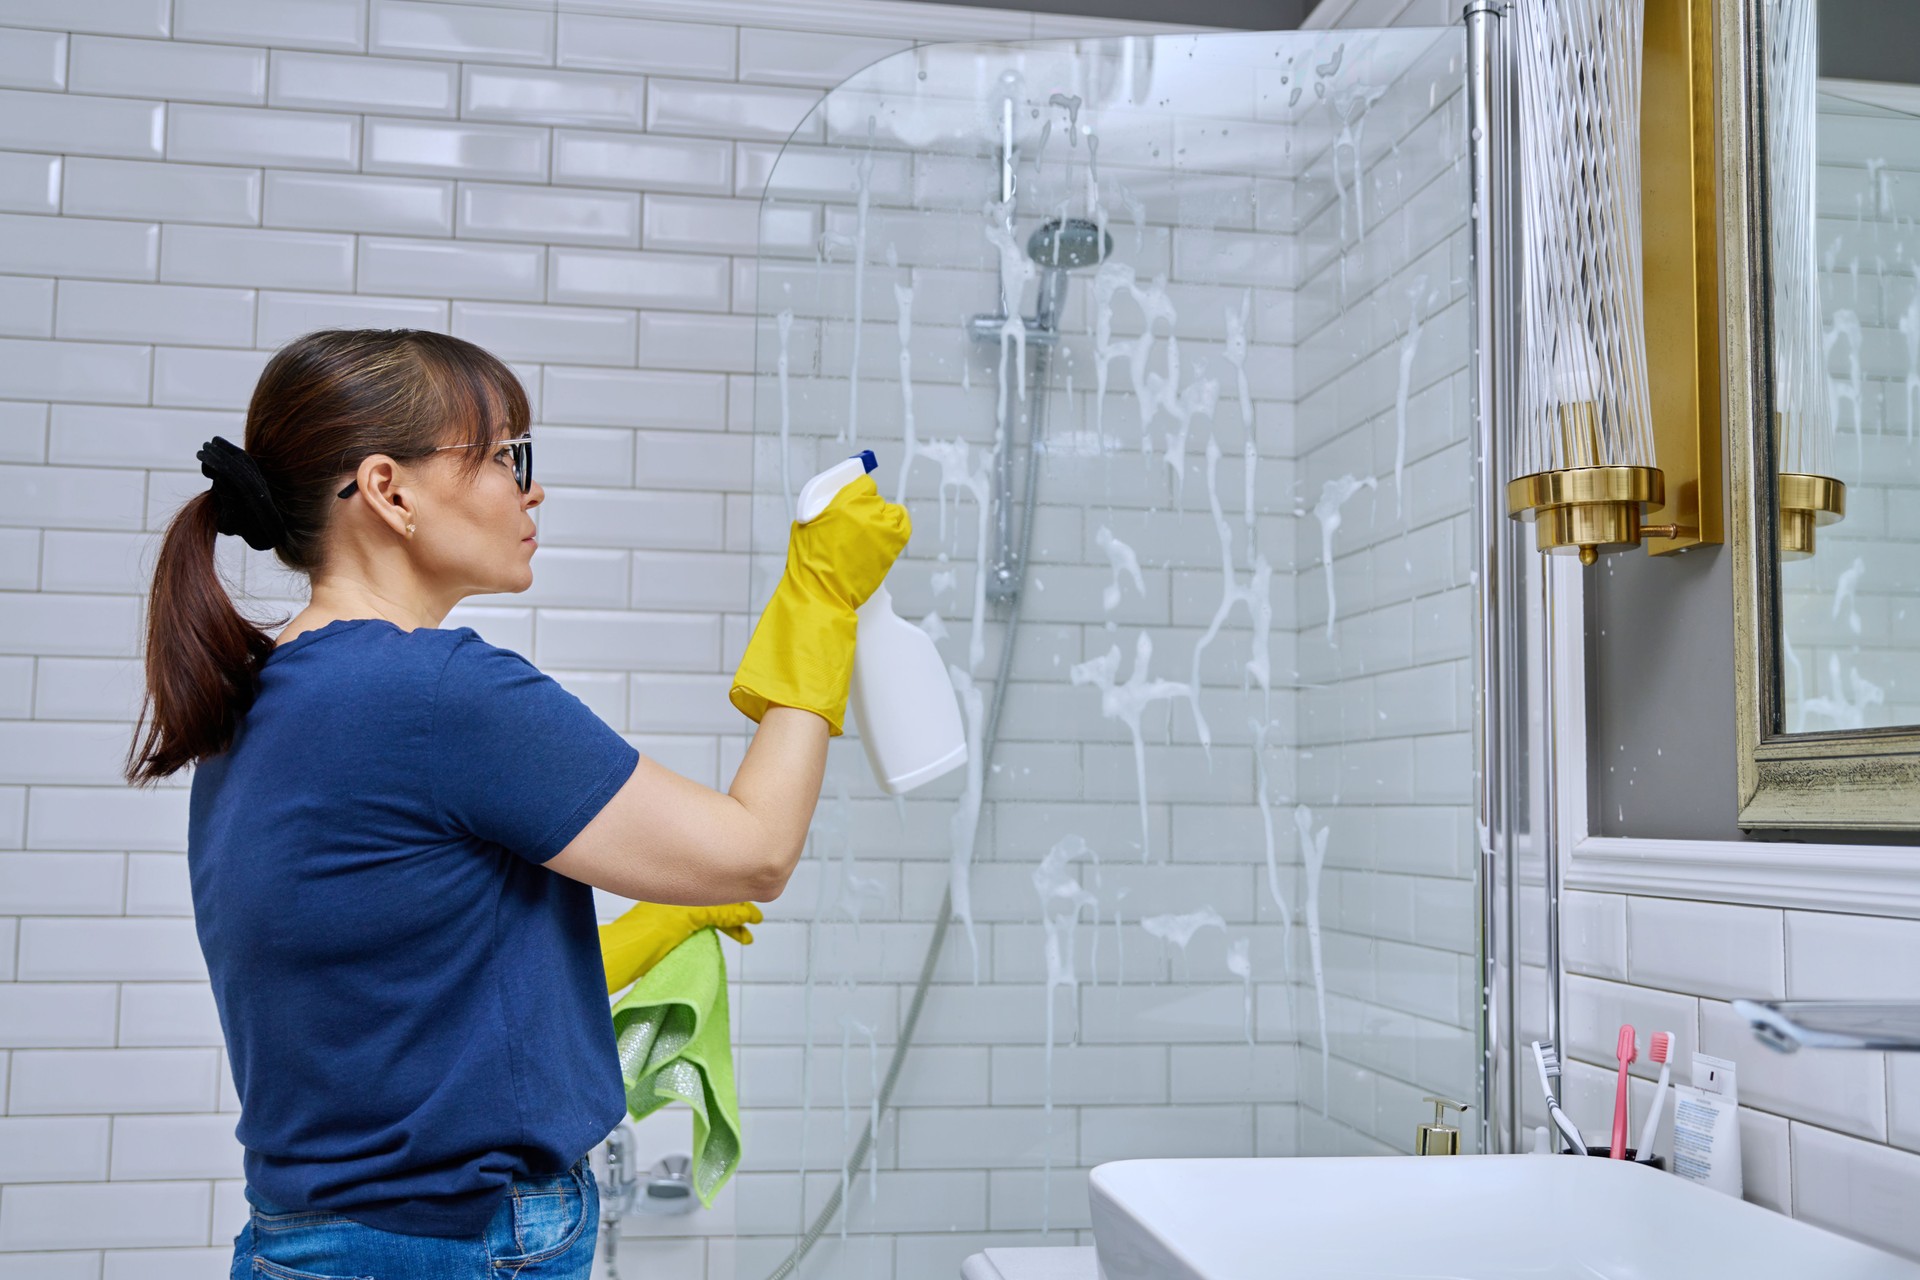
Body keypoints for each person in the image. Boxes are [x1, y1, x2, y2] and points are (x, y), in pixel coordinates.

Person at [124, 328, 910, 1279]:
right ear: (388, 490)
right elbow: (756, 851)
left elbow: (393, 989)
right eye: (503, 457)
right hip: (457, 1248)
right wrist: (820, 599)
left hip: (311, 1242)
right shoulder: (437, 692)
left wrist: (642, 932)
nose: (528, 489)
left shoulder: (266, 698)